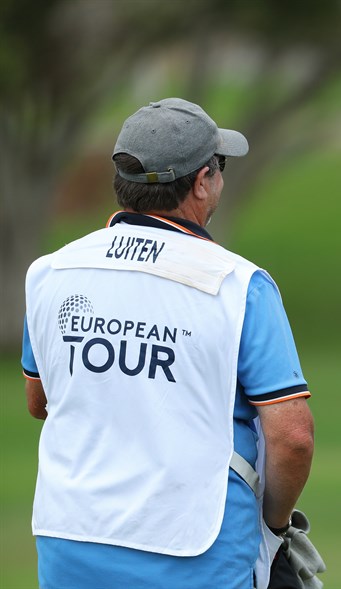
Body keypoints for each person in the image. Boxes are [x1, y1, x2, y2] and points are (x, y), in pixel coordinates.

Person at [22, 98, 315, 588]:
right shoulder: (239, 285)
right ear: (202, 181)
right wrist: (275, 526)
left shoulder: (51, 271)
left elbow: (41, 401)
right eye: (218, 168)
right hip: (196, 549)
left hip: (69, 538)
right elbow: (292, 437)